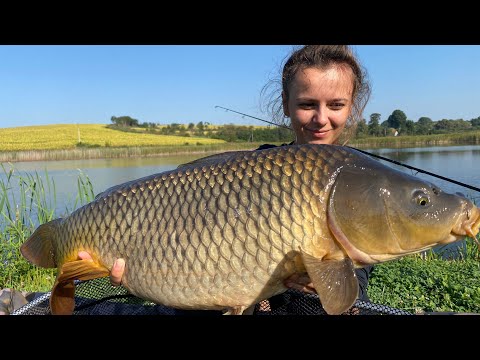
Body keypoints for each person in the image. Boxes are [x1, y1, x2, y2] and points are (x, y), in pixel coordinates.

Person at [78, 45, 373, 314]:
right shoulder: (251, 167)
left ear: (352, 107)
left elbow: (357, 278)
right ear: (286, 104)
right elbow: (192, 233)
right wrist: (140, 264)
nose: (321, 118)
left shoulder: (359, 182)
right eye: (307, 104)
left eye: (336, 105)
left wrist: (333, 282)